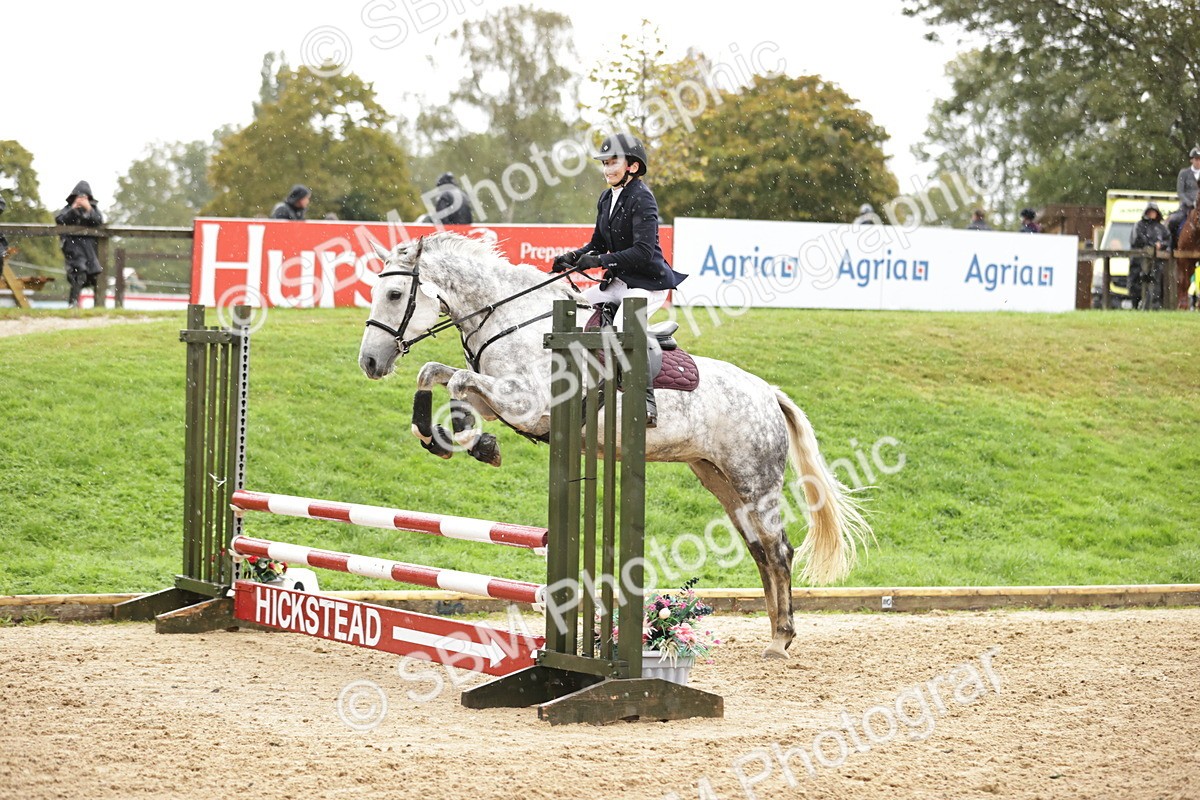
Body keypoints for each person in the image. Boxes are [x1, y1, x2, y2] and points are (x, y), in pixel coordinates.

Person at [551, 133, 686, 428]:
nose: (607, 169)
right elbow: (597, 243)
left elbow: (642, 251)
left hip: (647, 283)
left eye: (614, 163)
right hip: (621, 281)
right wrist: (572, 257)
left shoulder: (643, 198)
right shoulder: (606, 197)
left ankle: (645, 401)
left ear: (632, 167)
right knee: (577, 304)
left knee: (626, 328)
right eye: (605, 163)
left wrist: (600, 261)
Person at [54, 181, 104, 308]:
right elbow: (61, 220)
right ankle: (73, 303)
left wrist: (88, 208)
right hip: (73, 249)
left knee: (92, 276)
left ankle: (97, 305)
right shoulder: (68, 209)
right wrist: (73, 209)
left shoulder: (94, 210)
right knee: (78, 273)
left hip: (90, 251)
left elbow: (98, 221)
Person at [1129, 202, 1171, 310]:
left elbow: (1167, 240)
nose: (1152, 214)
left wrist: (1161, 245)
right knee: (1138, 284)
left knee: (1156, 285)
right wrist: (1152, 245)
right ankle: (1137, 305)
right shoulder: (1139, 225)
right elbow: (1138, 239)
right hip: (1139, 262)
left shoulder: (1161, 228)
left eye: (1154, 212)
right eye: (1150, 212)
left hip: (1157, 263)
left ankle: (1154, 306)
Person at [1168, 147, 1200, 245]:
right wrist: (1191, 203)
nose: (1198, 162)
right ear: (1191, 160)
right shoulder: (1184, 173)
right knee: (1173, 221)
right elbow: (1180, 192)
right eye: (1196, 159)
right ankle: (1172, 246)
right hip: (1186, 207)